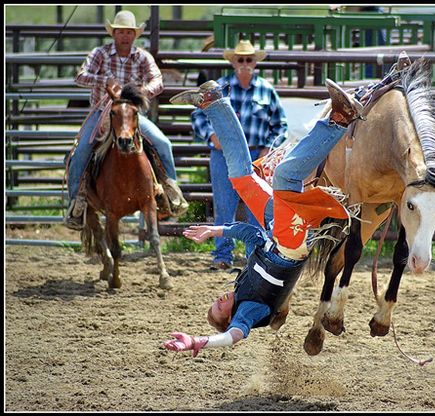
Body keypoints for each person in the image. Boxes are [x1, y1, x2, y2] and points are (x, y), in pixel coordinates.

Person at [161, 77, 364, 355]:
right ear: (230, 317)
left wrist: (216, 230)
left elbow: (252, 235)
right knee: (284, 177)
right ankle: (340, 120)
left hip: (274, 231)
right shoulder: (248, 311)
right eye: (219, 308)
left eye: (214, 302)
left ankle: (215, 103)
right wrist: (199, 341)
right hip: (289, 244)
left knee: (242, 177)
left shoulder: (243, 284)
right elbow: (233, 337)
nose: (218, 300)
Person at [64, 10, 188, 230]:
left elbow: (157, 81)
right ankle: (76, 202)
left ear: (134, 35)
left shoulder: (142, 56)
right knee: (82, 150)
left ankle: (171, 192)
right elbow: (80, 76)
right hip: (103, 113)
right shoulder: (100, 54)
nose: (124, 36)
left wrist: (138, 93)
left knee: (163, 143)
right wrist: (105, 81)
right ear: (114, 33)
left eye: (129, 32)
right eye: (120, 31)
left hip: (132, 115)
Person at [192, 39, 289, 270]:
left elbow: (281, 125)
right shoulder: (220, 88)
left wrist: (268, 147)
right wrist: (211, 136)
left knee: (258, 208)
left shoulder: (267, 90)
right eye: (241, 59)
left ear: (255, 63)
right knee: (225, 205)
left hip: (257, 155)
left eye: (249, 59)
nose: (245, 63)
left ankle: (254, 256)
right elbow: (197, 116)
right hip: (223, 154)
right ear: (233, 62)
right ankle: (222, 256)